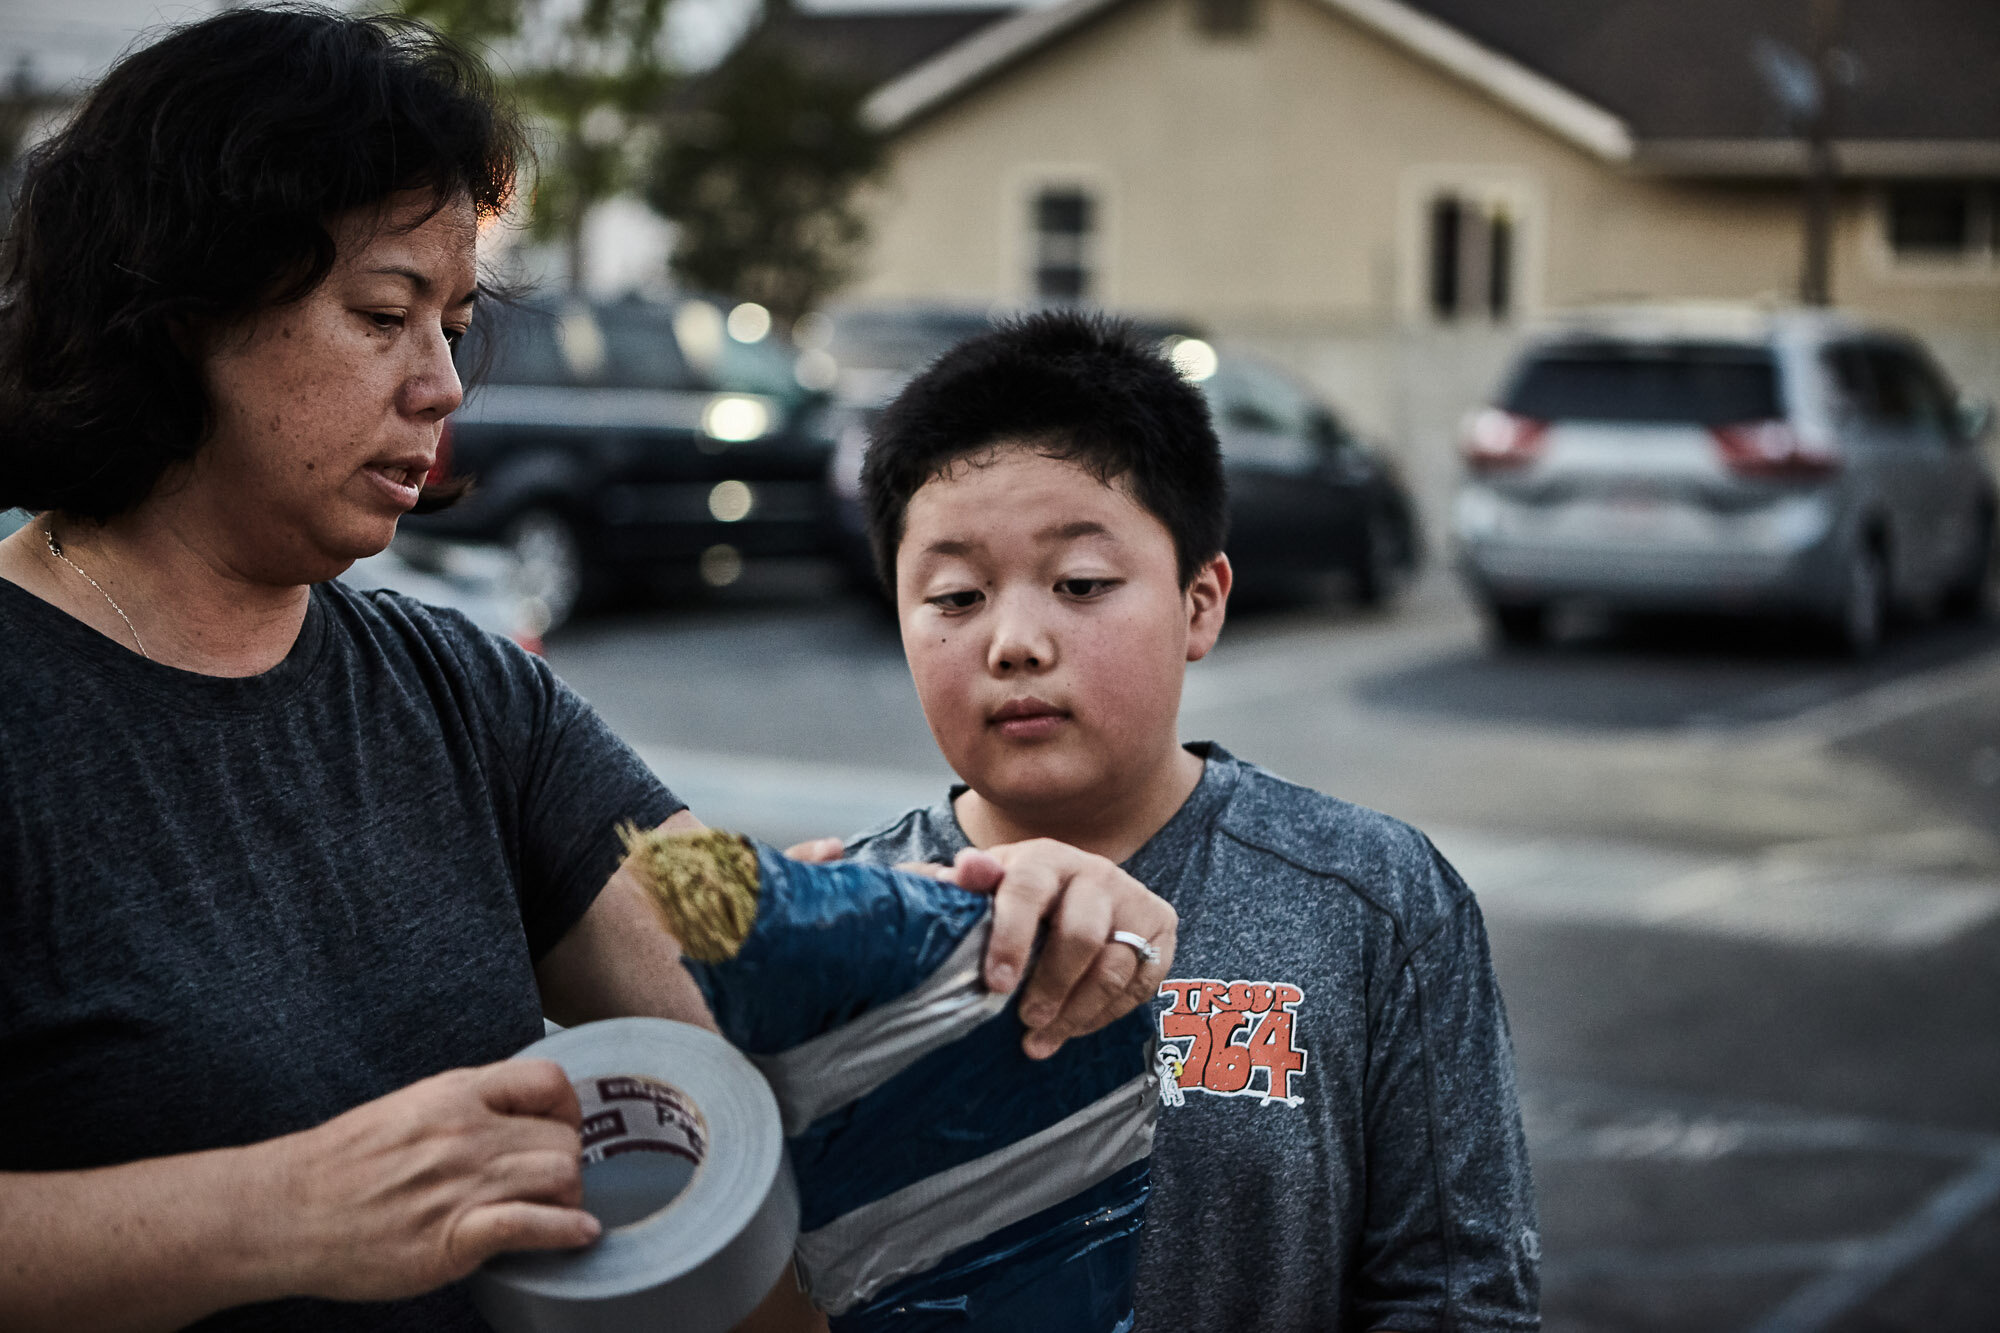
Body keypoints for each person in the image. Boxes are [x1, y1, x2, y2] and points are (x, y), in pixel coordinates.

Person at [0, 13, 1175, 1332]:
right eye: (383, 313)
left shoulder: (460, 695)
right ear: (175, 316)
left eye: (451, 321)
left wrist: (989, 929)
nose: (443, 382)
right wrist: (279, 1208)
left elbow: (733, 976)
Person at [817, 312, 1540, 1330]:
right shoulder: (841, 925)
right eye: (954, 595)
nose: (1014, 640)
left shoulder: (1371, 898)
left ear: (1199, 602)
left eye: (1078, 584)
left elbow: (1459, 1296)